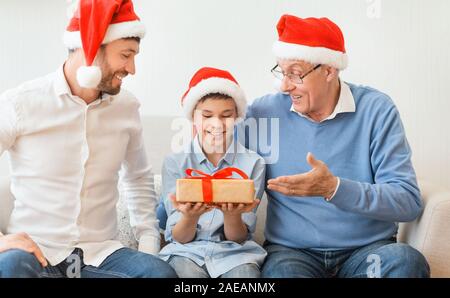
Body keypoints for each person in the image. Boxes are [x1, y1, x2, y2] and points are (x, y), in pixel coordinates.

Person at [242, 14, 430, 278]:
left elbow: (407, 202)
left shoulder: (376, 110)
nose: (284, 86)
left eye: (295, 74)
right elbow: (222, 159)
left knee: (405, 261)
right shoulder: (263, 113)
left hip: (368, 251)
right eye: (282, 73)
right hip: (292, 253)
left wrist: (334, 188)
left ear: (329, 70)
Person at [0, 0, 176, 278]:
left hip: (100, 254)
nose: (132, 68)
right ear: (91, 48)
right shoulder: (21, 103)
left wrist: (148, 246)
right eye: (126, 55)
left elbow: (139, 179)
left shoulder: (127, 108)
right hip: (35, 252)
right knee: (8, 267)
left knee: (160, 274)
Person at [158, 67, 267, 278]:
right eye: (207, 115)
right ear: (193, 117)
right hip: (185, 253)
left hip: (236, 255)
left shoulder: (254, 163)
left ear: (236, 116)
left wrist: (232, 215)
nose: (216, 124)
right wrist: (190, 217)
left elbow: (238, 238)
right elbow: (179, 238)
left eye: (226, 115)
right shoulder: (175, 162)